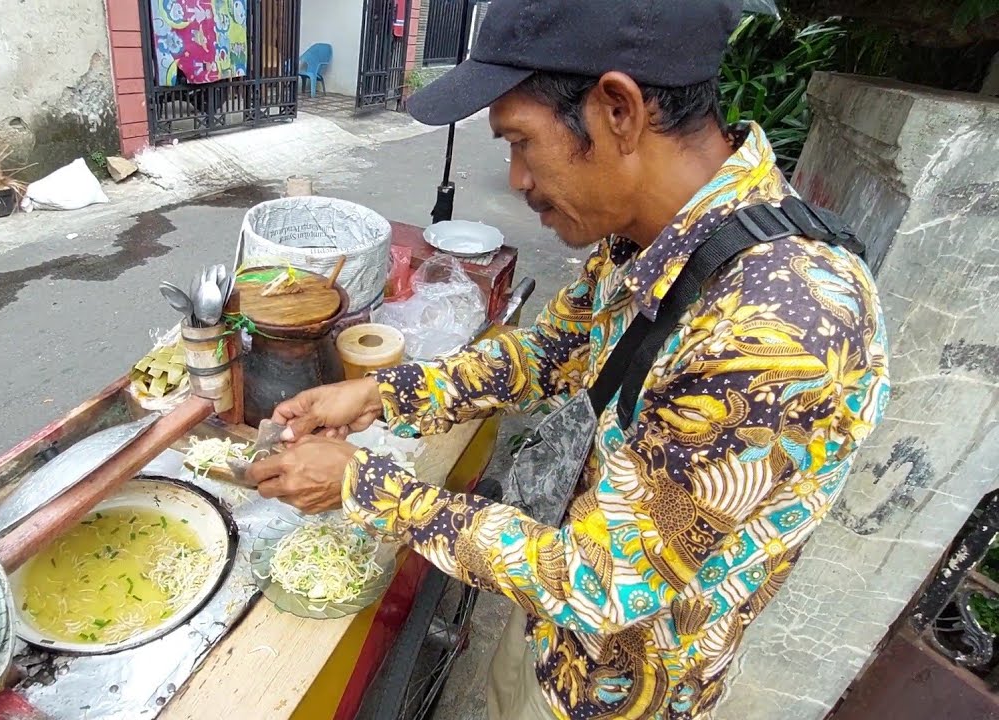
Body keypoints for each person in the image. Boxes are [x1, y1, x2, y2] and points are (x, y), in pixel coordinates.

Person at [246, 0, 891, 718]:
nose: (518, 179)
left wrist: (367, 486)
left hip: (618, 692)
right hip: (555, 631)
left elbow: (602, 579)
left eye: (522, 141)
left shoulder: (778, 332)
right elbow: (553, 351)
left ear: (618, 109)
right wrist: (383, 395)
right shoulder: (650, 233)